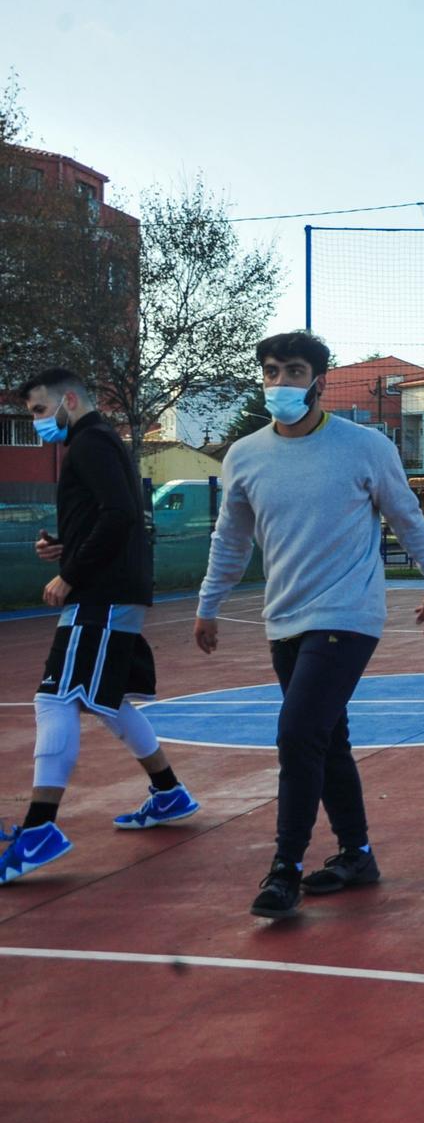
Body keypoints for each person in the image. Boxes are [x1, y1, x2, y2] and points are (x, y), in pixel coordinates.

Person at [195, 331, 424, 919]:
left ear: (319, 381)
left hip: (348, 613)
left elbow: (406, 516)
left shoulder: (363, 447)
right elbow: (230, 539)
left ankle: (283, 868)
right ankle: (357, 855)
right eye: (270, 371)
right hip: (283, 617)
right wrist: (209, 605)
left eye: (292, 370)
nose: (279, 382)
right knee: (328, 740)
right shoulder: (245, 455)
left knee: (297, 733)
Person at [1, 370, 197, 885]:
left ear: (69, 401)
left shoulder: (90, 443)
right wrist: (66, 547)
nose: (38, 422)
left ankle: (40, 828)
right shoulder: (96, 442)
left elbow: (120, 518)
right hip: (111, 590)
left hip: (103, 595)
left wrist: (71, 573)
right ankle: (169, 791)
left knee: (55, 698)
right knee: (102, 698)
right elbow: (111, 518)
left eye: (41, 411)